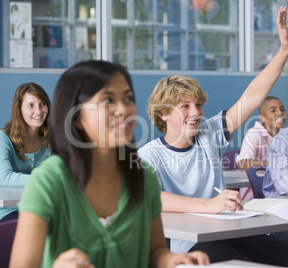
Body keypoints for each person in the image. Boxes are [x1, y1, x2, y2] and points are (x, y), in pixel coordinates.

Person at [139, 7, 288, 267]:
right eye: (185, 106)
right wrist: (210, 205)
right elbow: (152, 198)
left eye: (198, 105)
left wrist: (284, 50)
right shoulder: (150, 154)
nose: (196, 113)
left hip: (231, 232)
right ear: (163, 115)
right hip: (192, 244)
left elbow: (251, 97)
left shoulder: (210, 134)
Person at [9, 61, 209, 268]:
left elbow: (155, 251)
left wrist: (170, 259)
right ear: (76, 117)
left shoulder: (143, 176)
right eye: (108, 100)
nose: (124, 109)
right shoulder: (48, 182)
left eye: (128, 98)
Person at [0, 83, 51, 223]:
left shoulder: (50, 140)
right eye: (30, 105)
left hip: (39, 207)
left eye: (42, 104)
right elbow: (4, 178)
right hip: (8, 212)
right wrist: (44, 178)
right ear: (19, 109)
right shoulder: (3, 138)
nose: (39, 111)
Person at [236, 96, 287, 200]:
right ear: (262, 117)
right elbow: (243, 163)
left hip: (278, 195)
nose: (279, 113)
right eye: (273, 110)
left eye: (282, 109)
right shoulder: (254, 133)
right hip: (253, 198)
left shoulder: (286, 135)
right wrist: (272, 163)